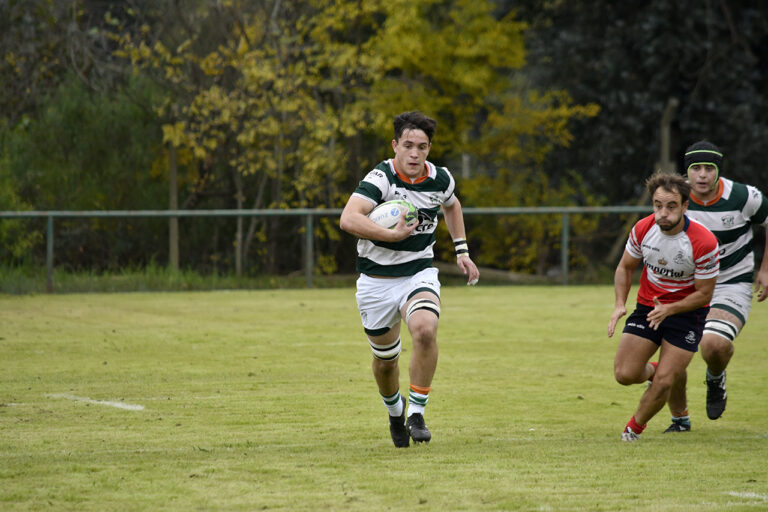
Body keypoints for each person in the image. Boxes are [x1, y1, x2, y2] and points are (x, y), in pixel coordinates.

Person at [339, 111, 480, 448]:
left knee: (425, 329)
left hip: (418, 272)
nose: (415, 153)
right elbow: (348, 219)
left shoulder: (441, 179)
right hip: (375, 281)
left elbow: (453, 205)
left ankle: (417, 412)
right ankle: (394, 412)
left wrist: (462, 251)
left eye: (422, 147)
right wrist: (391, 236)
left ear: (429, 148)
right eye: (408, 146)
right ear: (395, 146)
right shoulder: (381, 178)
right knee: (385, 364)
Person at [662, 141, 768, 432]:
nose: (703, 175)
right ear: (688, 171)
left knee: (714, 345)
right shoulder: (675, 197)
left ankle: (715, 377)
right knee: (671, 356)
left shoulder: (745, 196)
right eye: (696, 168)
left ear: (719, 171)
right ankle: (679, 420)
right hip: (687, 285)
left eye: (710, 168)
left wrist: (765, 269)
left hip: (731, 283)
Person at [608, 171, 719, 442]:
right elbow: (625, 267)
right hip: (648, 308)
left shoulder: (703, 242)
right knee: (625, 374)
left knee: (665, 382)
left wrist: (670, 309)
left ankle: (632, 429)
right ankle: (661, 367)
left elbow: (705, 294)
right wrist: (620, 304)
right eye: (658, 205)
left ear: (684, 206)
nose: (663, 213)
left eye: (671, 206)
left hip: (687, 314)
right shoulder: (643, 229)